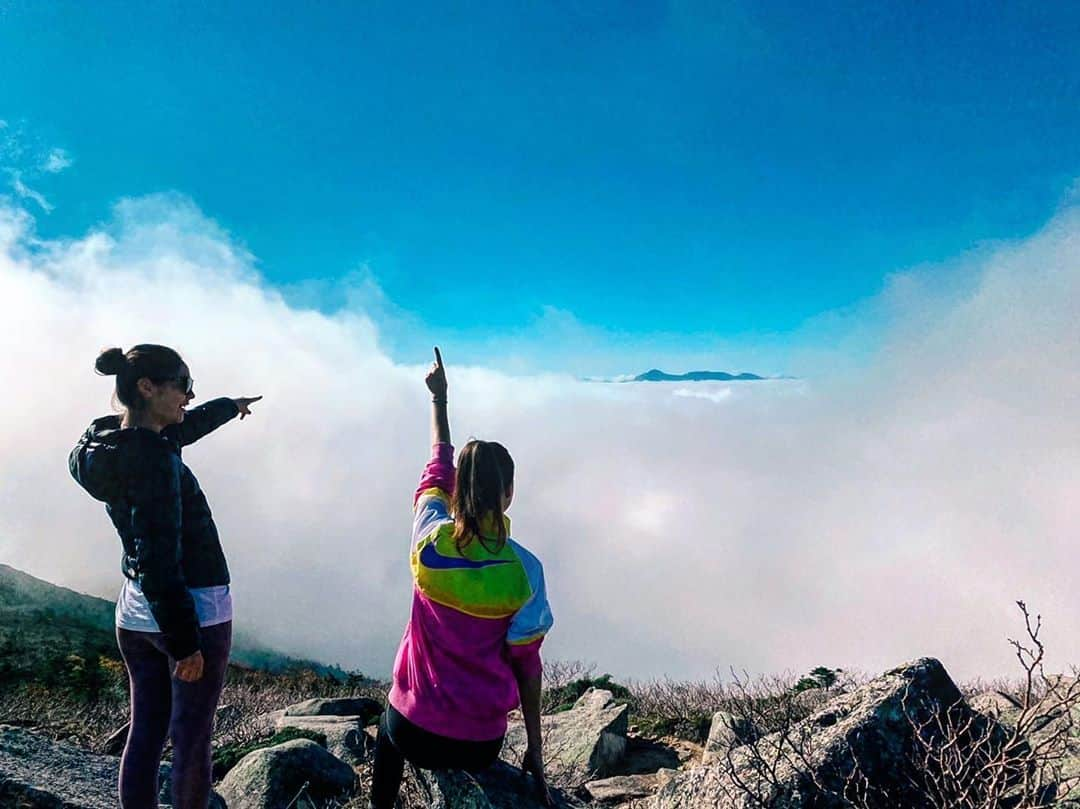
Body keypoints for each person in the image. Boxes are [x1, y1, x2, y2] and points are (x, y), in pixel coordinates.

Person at [69, 344, 261, 809]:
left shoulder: (114, 442)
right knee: (193, 740)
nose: (190, 395)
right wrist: (184, 642)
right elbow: (158, 555)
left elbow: (183, 429)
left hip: (134, 613)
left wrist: (227, 407)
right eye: (182, 384)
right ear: (147, 387)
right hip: (189, 608)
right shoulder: (152, 462)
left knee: (146, 730)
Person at [370, 347, 555, 808]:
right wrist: (534, 748)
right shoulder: (525, 571)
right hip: (479, 742)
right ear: (508, 494)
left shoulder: (428, 542)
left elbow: (437, 468)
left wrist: (439, 400)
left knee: (385, 729)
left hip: (412, 728)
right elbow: (526, 666)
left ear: (457, 491)